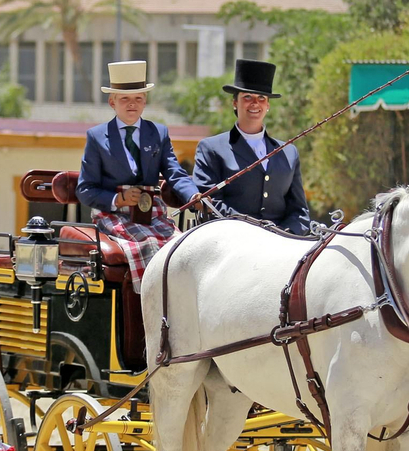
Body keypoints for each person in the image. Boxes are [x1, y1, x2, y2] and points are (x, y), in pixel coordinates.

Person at [76, 59, 201, 283]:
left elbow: (175, 172)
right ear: (112, 102)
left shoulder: (158, 133)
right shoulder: (96, 137)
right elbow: (85, 189)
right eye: (125, 99)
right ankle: (148, 308)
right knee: (150, 246)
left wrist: (193, 195)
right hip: (113, 215)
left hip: (153, 213)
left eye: (138, 99)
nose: (132, 104)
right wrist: (119, 198)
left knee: (183, 248)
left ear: (145, 102)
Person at [192, 58, 311, 235]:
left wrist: (285, 235)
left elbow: (299, 210)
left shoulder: (289, 152)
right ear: (235, 103)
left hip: (282, 243)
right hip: (231, 239)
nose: (255, 103)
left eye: (261, 98)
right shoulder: (211, 148)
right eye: (247, 97)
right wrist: (255, 232)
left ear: (268, 105)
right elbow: (210, 202)